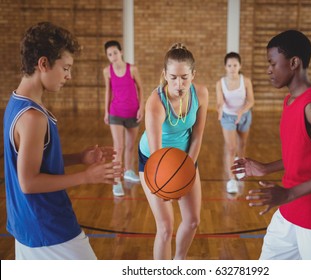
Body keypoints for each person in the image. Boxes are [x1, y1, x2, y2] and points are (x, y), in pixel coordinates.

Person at [232, 30, 311, 260]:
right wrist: (265, 168)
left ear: (293, 63)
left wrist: (289, 194)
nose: (268, 69)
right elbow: (305, 154)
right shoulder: (290, 100)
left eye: (272, 63)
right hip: (289, 210)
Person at [3, 22, 122, 260]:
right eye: (66, 68)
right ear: (43, 64)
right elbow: (28, 182)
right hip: (50, 228)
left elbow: (33, 161)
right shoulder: (33, 117)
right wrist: (87, 176)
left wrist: (79, 158)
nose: (69, 76)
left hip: (26, 226)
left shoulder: (16, 103)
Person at [138, 43, 208, 259]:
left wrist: (186, 168)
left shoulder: (201, 94)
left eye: (185, 77)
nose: (179, 84)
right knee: (166, 228)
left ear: (193, 74)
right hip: (154, 161)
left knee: (193, 220)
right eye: (174, 77)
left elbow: (197, 136)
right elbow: (157, 153)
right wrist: (163, 186)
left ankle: (179, 262)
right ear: (165, 75)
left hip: (185, 157)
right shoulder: (155, 103)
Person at [103, 40, 144, 197]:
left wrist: (141, 107)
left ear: (121, 52)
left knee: (130, 146)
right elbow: (108, 91)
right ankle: (116, 182)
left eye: (115, 52)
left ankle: (128, 171)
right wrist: (106, 112)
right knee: (118, 148)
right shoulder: (107, 71)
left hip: (133, 112)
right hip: (116, 113)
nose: (113, 56)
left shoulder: (132, 69)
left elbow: (140, 88)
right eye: (109, 54)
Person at [216, 52, 254, 194]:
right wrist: (219, 109)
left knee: (242, 146)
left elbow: (251, 101)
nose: (232, 68)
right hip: (228, 117)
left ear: (240, 66)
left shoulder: (246, 81)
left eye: (235, 65)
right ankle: (231, 180)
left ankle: (239, 168)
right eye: (229, 65)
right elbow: (220, 102)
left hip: (244, 115)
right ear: (225, 67)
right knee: (231, 148)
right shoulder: (220, 83)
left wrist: (241, 112)